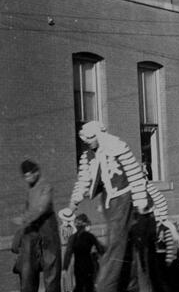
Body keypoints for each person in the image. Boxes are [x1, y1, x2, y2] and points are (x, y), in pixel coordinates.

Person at [58, 121, 155, 292]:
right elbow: (82, 182)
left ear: (99, 135)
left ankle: (104, 286)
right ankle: (131, 286)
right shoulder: (87, 156)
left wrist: (140, 203)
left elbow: (134, 174)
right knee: (128, 249)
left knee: (116, 242)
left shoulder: (118, 147)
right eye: (85, 138)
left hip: (125, 198)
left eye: (90, 138)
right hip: (109, 202)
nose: (87, 141)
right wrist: (71, 207)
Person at [13, 159, 62, 292]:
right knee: (28, 274)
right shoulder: (30, 191)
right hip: (32, 234)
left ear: (37, 172)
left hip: (48, 232)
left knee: (51, 273)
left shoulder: (45, 186)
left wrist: (24, 219)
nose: (28, 178)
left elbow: (42, 207)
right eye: (26, 176)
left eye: (30, 174)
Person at [63, 214, 105, 292]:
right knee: (89, 286)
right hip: (89, 264)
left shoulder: (72, 238)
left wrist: (65, 267)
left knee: (79, 285)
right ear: (85, 224)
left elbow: (68, 254)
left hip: (78, 265)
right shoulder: (90, 236)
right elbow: (101, 249)